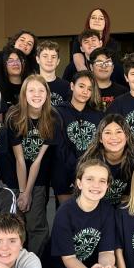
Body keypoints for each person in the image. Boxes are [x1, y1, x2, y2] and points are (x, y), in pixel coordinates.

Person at [4, 75, 60, 258]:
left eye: (41, 90)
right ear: (24, 94)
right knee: (15, 224)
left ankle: (35, 264)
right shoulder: (14, 117)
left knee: (36, 223)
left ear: (47, 94)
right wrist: (22, 192)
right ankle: (14, 263)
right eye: (31, 90)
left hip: (39, 178)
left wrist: (28, 192)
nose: (37, 94)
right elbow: (20, 159)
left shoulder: (53, 118)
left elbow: (38, 160)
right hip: (14, 176)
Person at [53, 71, 104, 203]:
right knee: (67, 212)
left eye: (89, 89)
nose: (85, 91)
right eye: (81, 86)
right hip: (64, 174)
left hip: (90, 174)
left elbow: (99, 147)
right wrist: (77, 169)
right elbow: (59, 147)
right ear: (72, 86)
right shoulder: (58, 112)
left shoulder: (98, 116)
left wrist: (87, 170)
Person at [82, 114, 134, 206]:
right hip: (97, 209)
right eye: (108, 133)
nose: (114, 137)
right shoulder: (89, 162)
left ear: (127, 136)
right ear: (100, 138)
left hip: (127, 210)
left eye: (118, 132)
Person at [35, 40, 71, 108]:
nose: (49, 60)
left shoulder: (66, 86)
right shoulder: (30, 84)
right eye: (45, 56)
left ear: (58, 61)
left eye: (53, 57)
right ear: (38, 59)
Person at [0, 44, 26, 112]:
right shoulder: (0, 89)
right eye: (10, 61)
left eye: (18, 60)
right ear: (5, 65)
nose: (15, 63)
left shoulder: (29, 86)